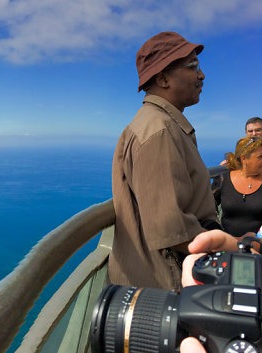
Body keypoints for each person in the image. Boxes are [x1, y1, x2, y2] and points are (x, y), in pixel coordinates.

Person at [111, 31, 217, 291]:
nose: (201, 75)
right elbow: (172, 231)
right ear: (163, 78)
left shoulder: (164, 125)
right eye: (192, 67)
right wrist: (232, 245)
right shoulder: (157, 131)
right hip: (164, 287)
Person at [214, 137, 262, 237]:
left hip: (258, 247)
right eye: (260, 157)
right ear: (244, 158)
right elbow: (207, 210)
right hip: (227, 245)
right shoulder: (223, 180)